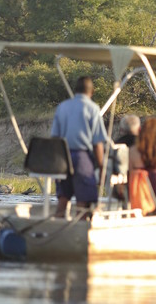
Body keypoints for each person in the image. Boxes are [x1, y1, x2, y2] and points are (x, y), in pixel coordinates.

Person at [51, 76, 106, 217]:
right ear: (91, 92)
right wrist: (101, 166)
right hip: (82, 157)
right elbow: (97, 143)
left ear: (75, 90)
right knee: (84, 201)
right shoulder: (93, 108)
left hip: (62, 156)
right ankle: (80, 230)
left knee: (63, 197)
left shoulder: (62, 107)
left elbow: (55, 138)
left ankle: (57, 228)